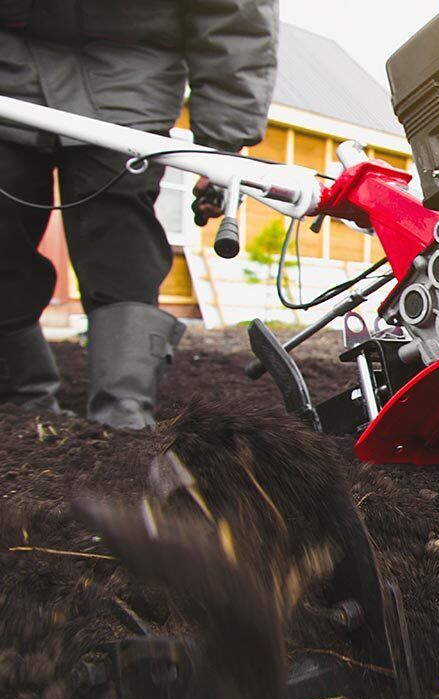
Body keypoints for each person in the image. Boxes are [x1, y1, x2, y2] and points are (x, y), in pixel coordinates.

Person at [0, 0, 279, 429]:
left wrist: (220, 147)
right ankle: (21, 408)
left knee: (121, 243)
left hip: (128, 82)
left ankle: (124, 414)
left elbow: (235, 20)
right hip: (9, 71)